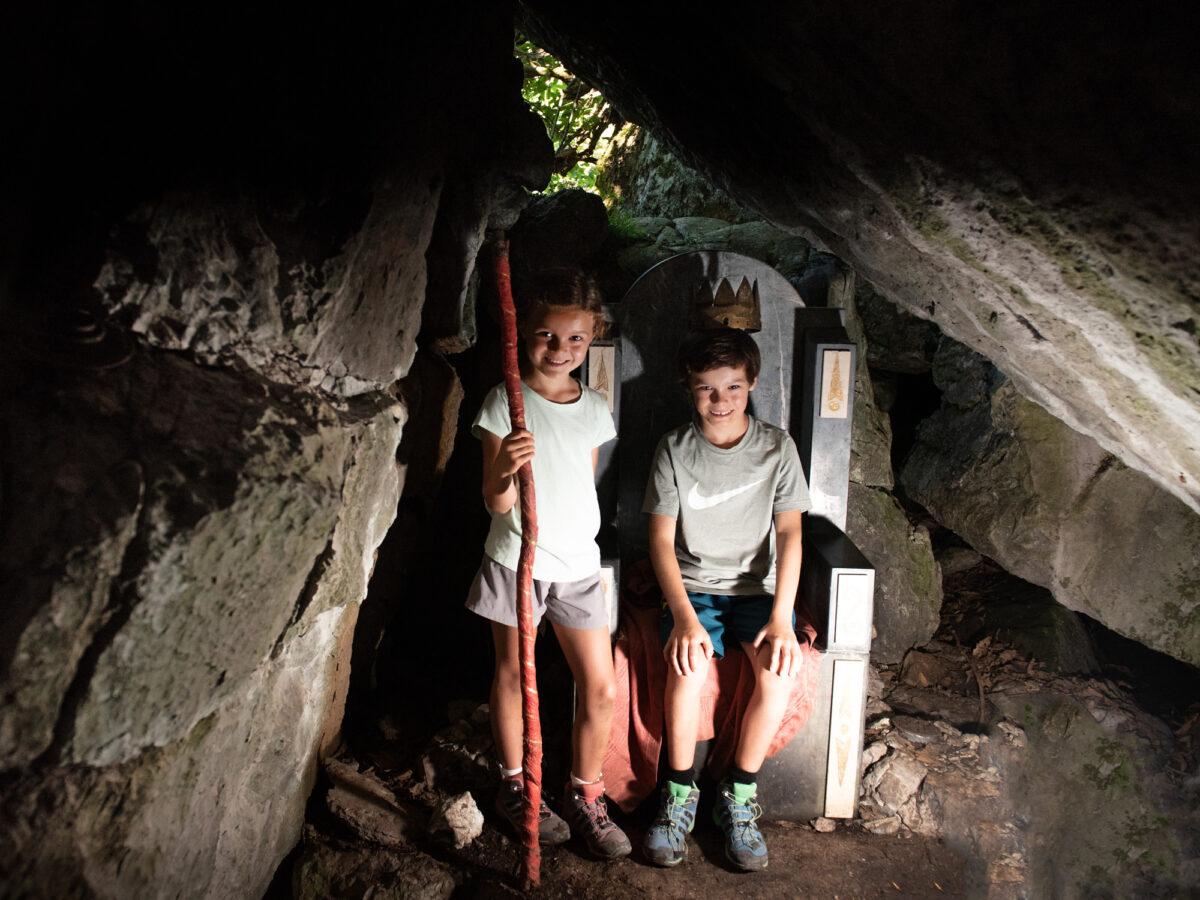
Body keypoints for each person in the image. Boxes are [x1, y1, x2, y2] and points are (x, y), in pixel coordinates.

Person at [466, 267, 632, 860]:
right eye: (546, 336)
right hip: (515, 560)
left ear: (592, 340)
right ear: (522, 335)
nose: (560, 351)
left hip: (578, 564)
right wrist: (508, 464)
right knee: (513, 674)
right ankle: (517, 786)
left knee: (601, 685)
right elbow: (496, 501)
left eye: (576, 339)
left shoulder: (594, 406)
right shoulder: (504, 403)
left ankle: (585, 795)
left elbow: (582, 485)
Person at [640, 327, 811, 870]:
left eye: (732, 388)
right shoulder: (674, 448)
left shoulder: (777, 447)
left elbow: (790, 534)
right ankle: (679, 793)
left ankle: (738, 796)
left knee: (780, 671)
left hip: (756, 591)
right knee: (688, 669)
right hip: (693, 589)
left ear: (752, 383)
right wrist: (685, 619)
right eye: (706, 389)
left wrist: (783, 617)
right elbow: (660, 542)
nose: (720, 401)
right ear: (689, 389)